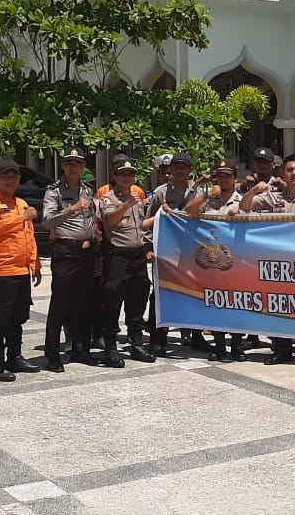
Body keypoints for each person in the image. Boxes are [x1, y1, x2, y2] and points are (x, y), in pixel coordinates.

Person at [241, 154, 295, 368]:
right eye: (290, 170)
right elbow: (244, 208)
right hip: (278, 264)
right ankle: (281, 349)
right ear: (282, 173)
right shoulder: (273, 197)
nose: (294, 173)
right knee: (279, 306)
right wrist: (253, 191)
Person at [0, 159, 43, 381]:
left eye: (14, 176)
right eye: (5, 176)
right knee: (0, 319)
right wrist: (20, 218)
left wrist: (35, 263)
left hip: (21, 271)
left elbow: (28, 236)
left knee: (18, 317)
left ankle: (14, 358)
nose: (10, 180)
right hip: (1, 272)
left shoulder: (21, 202)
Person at [40, 145, 96, 372]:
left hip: (87, 251)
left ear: (83, 167)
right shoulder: (53, 191)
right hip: (65, 251)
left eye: (78, 163)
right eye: (70, 163)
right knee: (60, 303)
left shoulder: (88, 189)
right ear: (63, 166)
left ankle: (81, 349)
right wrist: (72, 209)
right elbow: (47, 222)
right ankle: (52, 353)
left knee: (83, 303)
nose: (74, 167)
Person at [144, 152, 205, 356]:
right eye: (176, 167)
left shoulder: (198, 193)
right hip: (165, 253)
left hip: (191, 253)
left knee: (194, 293)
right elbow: (148, 222)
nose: (179, 171)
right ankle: (157, 338)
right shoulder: (160, 193)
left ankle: (197, 336)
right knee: (160, 294)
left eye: (184, 167)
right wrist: (148, 248)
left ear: (190, 171)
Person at [186, 159, 247, 362]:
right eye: (220, 176)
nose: (224, 179)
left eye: (228, 176)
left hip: (237, 260)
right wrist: (205, 195)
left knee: (237, 303)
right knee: (216, 303)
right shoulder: (209, 199)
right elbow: (189, 211)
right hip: (214, 262)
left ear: (235, 179)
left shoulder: (242, 199)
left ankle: (237, 346)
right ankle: (219, 346)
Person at [99, 155, 156, 368]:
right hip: (118, 257)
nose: (127, 177)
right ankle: (111, 349)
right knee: (113, 302)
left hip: (137, 256)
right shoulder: (108, 198)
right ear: (115, 176)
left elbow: (141, 225)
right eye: (123, 174)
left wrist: (161, 216)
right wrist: (126, 205)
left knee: (138, 300)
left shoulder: (137, 197)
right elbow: (110, 220)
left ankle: (137, 344)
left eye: (130, 174)